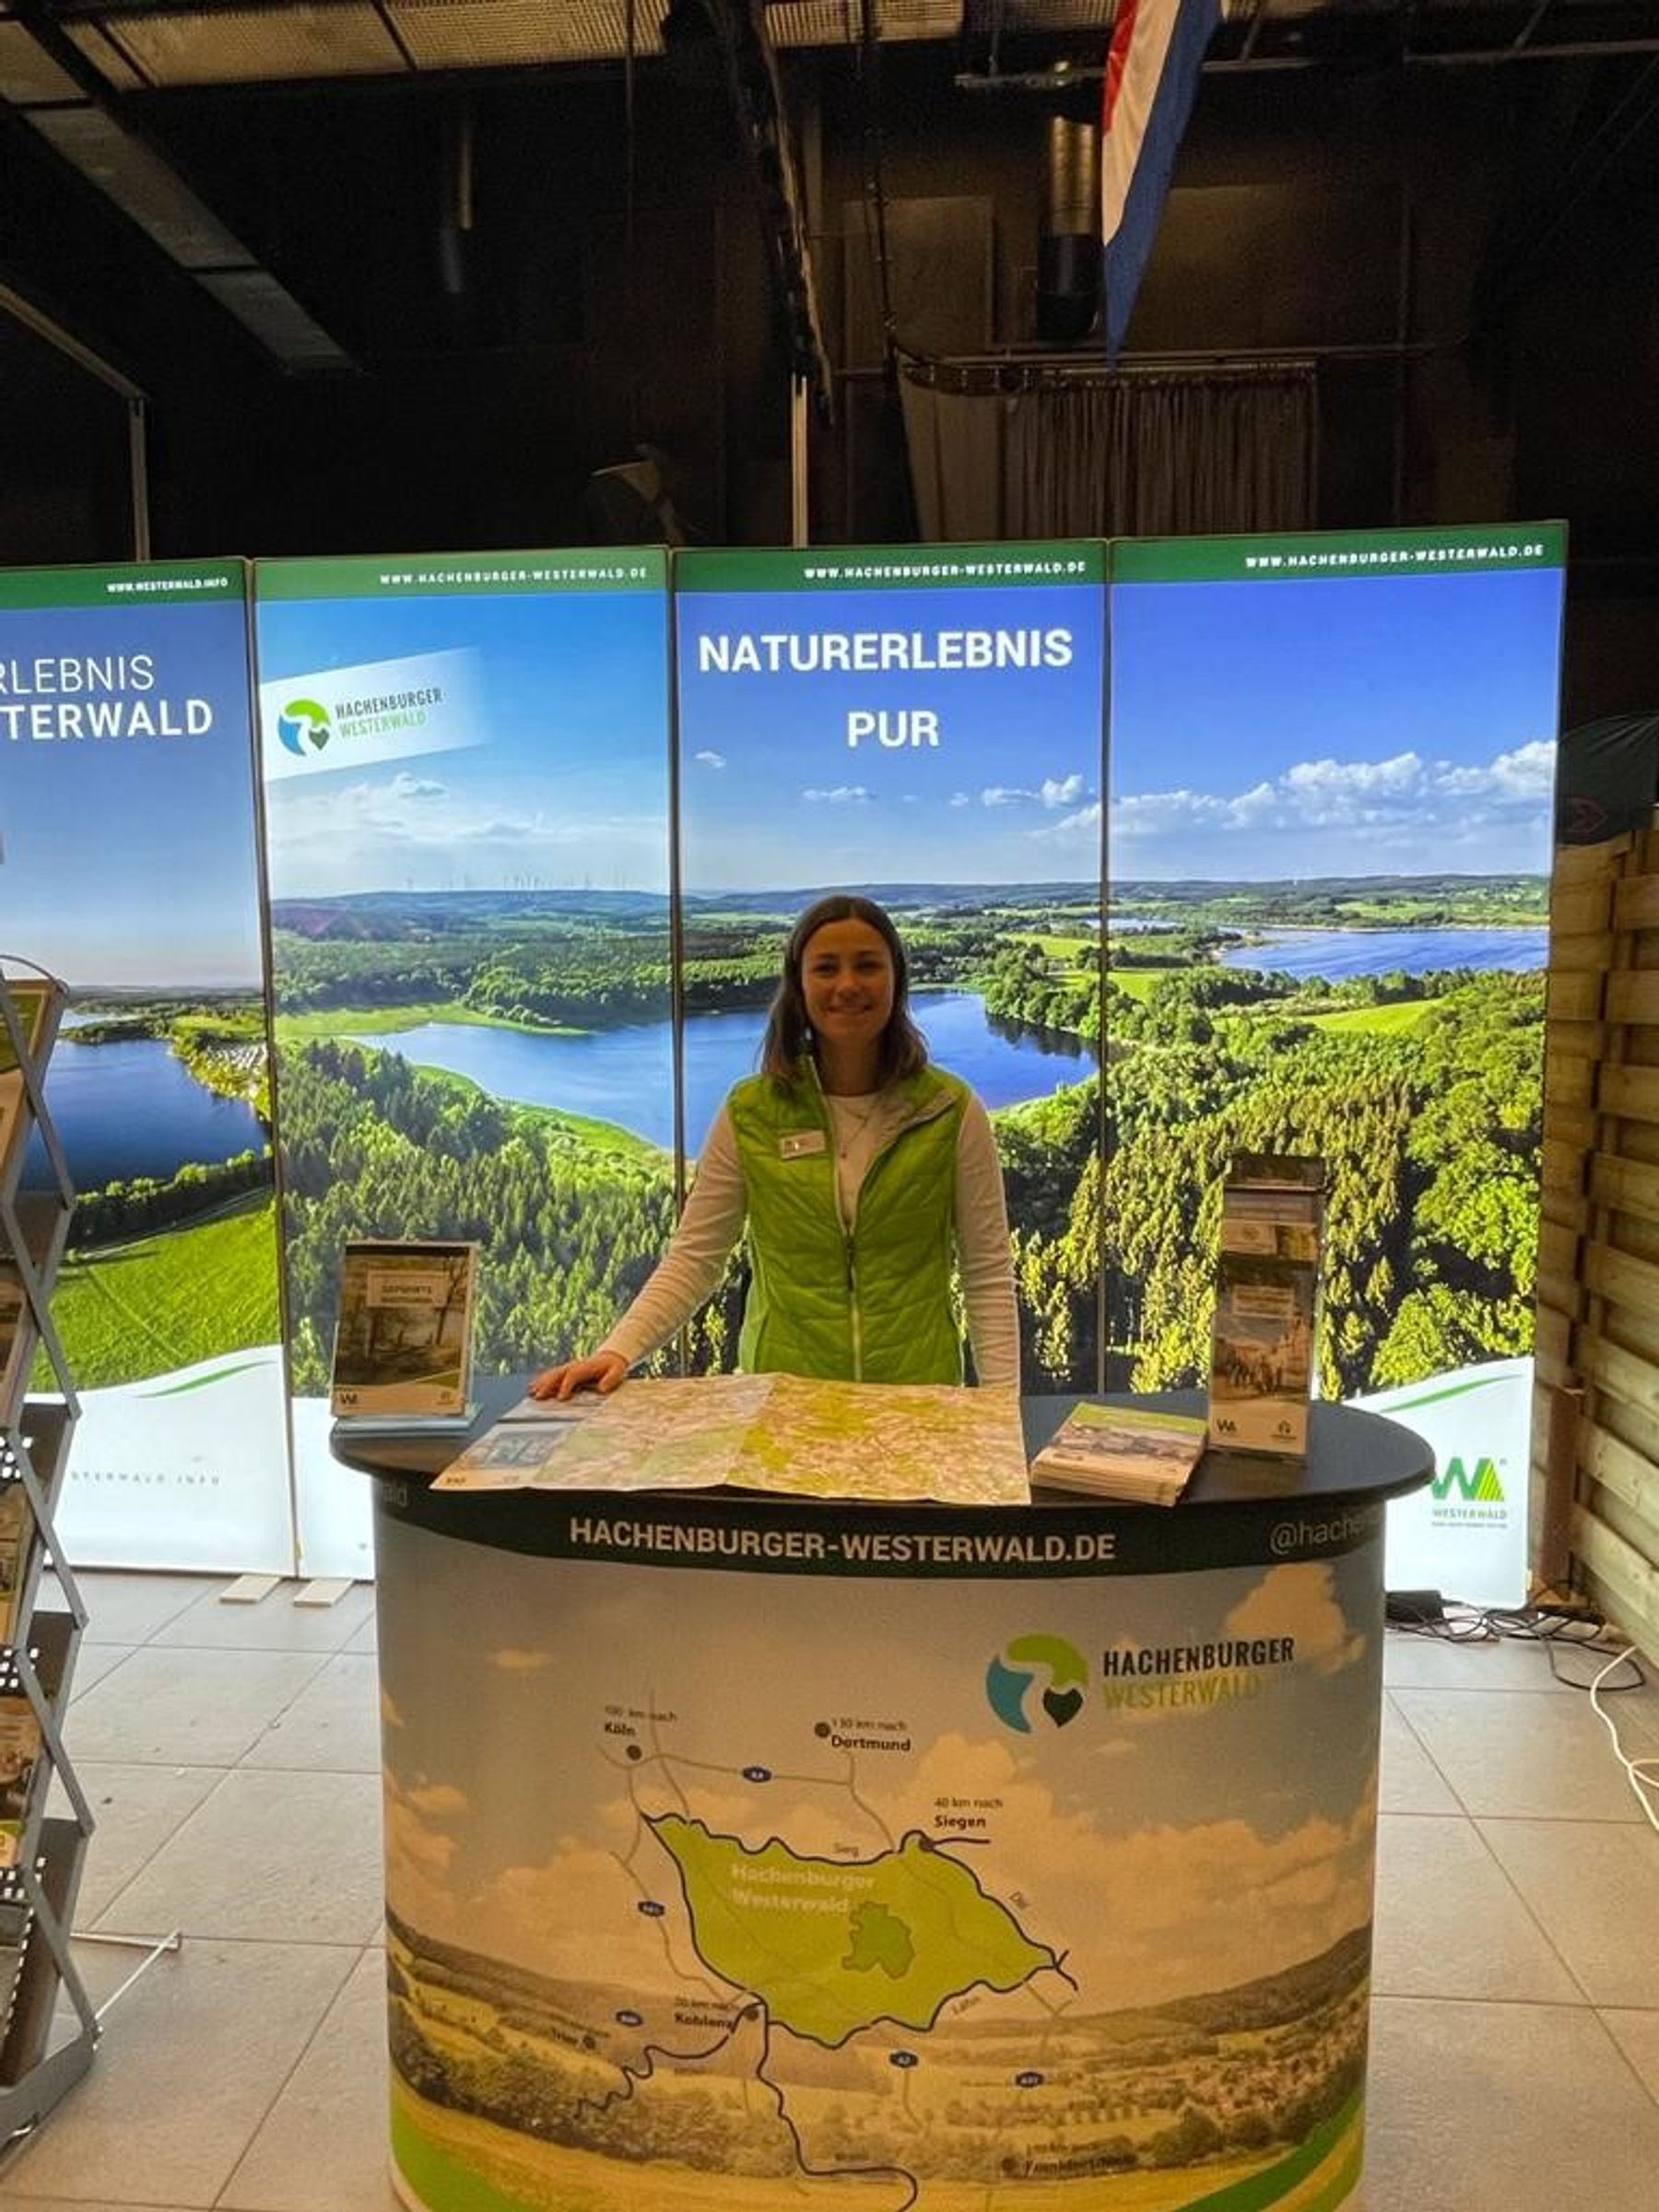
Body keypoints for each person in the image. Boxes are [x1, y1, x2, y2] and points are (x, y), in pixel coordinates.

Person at [530, 893, 1018, 1398]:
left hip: (916, 1400)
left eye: (867, 965)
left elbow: (986, 1273)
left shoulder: (950, 1110)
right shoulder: (751, 1113)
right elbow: (696, 1258)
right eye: (826, 968)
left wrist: (1002, 1406)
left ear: (896, 979)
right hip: (780, 1405)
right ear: (800, 985)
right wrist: (618, 1351)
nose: (848, 985)